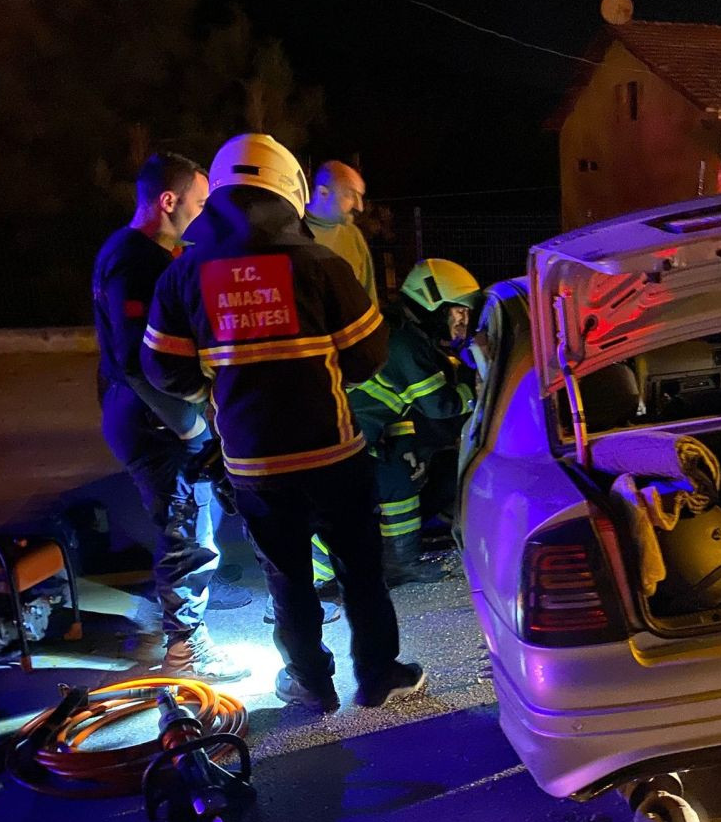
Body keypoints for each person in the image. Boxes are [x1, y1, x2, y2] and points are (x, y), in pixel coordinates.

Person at [142, 133, 424, 711]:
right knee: (360, 570)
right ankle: (377, 676)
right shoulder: (321, 263)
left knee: (288, 577)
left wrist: (220, 386)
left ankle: (310, 684)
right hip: (332, 453)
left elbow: (162, 368)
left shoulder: (183, 274)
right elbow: (370, 353)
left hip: (254, 464)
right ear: (289, 189)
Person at [92, 153, 248, 682]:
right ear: (168, 201)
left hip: (149, 417)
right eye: (199, 203)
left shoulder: (141, 254)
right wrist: (191, 425)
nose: (204, 214)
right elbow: (135, 360)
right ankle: (187, 650)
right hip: (154, 422)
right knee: (189, 532)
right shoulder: (136, 262)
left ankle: (184, 633)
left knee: (192, 523)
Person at [309, 260, 478, 589]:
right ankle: (313, 580)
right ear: (433, 303)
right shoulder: (405, 345)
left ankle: (396, 561)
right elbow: (440, 404)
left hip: (360, 431)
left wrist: (406, 445)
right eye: (458, 311)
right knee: (370, 499)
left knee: (396, 481)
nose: (462, 321)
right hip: (349, 434)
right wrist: (477, 389)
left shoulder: (403, 334)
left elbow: (394, 407)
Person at [305, 160, 378, 307]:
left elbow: (368, 297)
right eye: (350, 195)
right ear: (322, 193)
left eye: (360, 196)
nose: (360, 207)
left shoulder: (353, 235)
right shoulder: (290, 230)